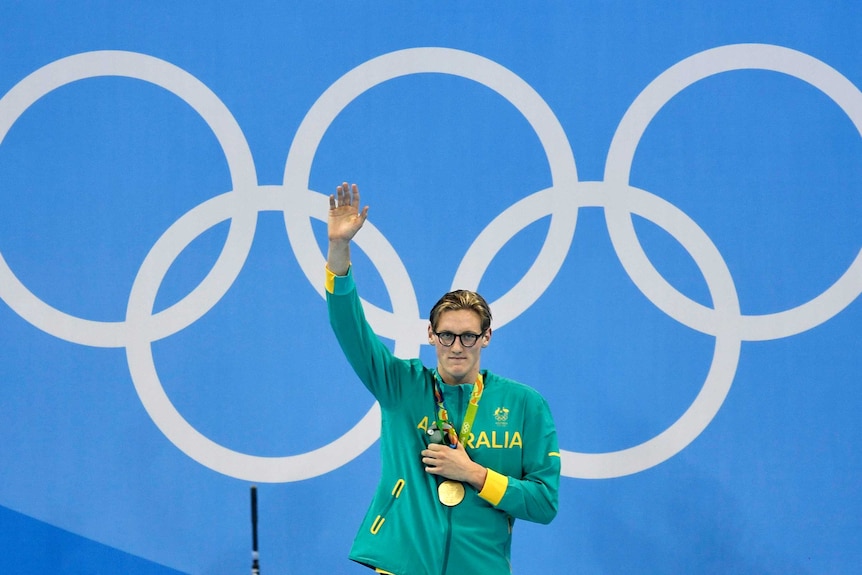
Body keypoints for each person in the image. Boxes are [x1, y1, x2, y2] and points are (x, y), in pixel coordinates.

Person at [326, 182, 561, 575]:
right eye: (447, 334)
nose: (457, 346)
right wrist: (338, 250)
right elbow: (350, 328)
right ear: (430, 336)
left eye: (469, 335)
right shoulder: (400, 386)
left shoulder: (524, 404)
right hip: (402, 565)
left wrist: (474, 474)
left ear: (487, 337)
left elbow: (544, 503)